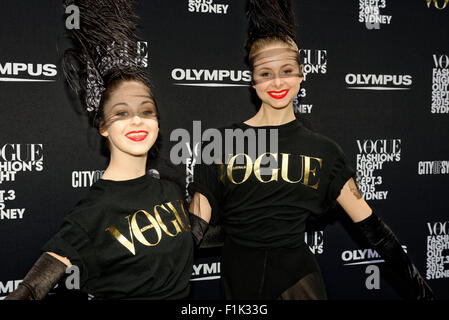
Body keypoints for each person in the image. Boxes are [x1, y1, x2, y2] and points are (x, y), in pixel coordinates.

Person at [188, 0, 435, 300]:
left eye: (287, 70)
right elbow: (195, 229)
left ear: (301, 75)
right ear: (253, 80)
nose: (277, 81)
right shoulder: (222, 142)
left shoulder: (324, 151)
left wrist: (423, 294)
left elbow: (374, 230)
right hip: (237, 285)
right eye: (266, 73)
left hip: (298, 285)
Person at [5, 0, 193, 300]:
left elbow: (202, 234)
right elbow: (30, 290)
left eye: (147, 111)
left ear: (158, 122)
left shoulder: (170, 190)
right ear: (103, 126)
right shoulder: (91, 215)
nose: (136, 120)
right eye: (121, 113)